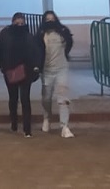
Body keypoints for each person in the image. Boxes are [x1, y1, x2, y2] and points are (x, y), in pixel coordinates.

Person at [0, 12, 42, 137]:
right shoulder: (5, 35)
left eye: (22, 23)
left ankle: (27, 129)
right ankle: (14, 123)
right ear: (13, 22)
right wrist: (3, 66)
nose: (20, 25)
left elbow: (35, 52)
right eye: (17, 23)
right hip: (10, 70)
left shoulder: (29, 36)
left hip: (26, 71)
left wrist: (35, 68)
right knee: (13, 98)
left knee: (25, 99)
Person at [36, 10, 75, 138]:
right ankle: (47, 118)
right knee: (46, 97)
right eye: (47, 19)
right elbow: (37, 49)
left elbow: (69, 44)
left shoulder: (63, 32)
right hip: (47, 71)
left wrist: (65, 55)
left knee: (63, 98)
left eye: (52, 19)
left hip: (61, 69)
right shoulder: (40, 34)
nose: (50, 21)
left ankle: (64, 126)